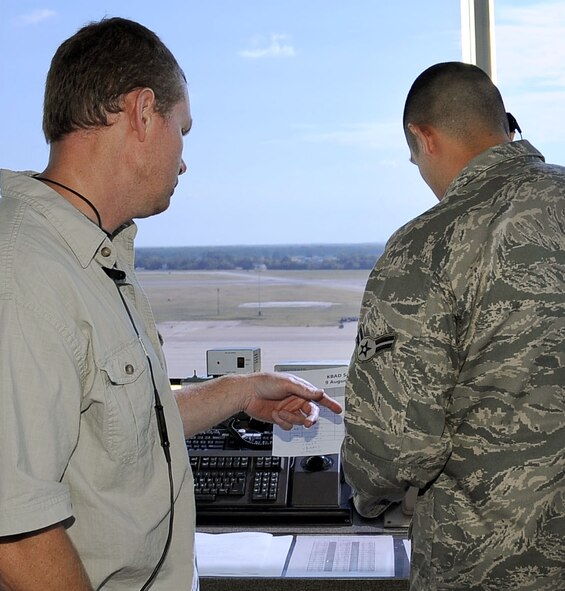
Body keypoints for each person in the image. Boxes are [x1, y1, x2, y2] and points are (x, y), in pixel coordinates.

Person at [0, 17, 343, 591]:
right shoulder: (26, 274)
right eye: (182, 129)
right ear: (141, 111)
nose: (184, 161)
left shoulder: (93, 255)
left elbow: (121, 421)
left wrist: (241, 391)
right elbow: (18, 534)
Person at [341, 61, 564, 591]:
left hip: (492, 565)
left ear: (424, 136)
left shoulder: (426, 245)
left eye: (414, 157)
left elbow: (394, 445)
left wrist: (367, 495)